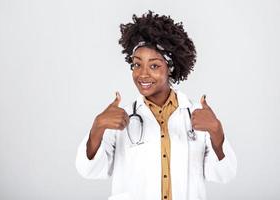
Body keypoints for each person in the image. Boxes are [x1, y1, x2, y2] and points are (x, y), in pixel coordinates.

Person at [75, 11, 237, 200]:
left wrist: (216, 132)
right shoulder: (120, 118)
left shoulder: (196, 116)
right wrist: (98, 127)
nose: (142, 74)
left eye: (154, 66)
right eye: (136, 65)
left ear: (171, 68)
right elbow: (89, 170)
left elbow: (224, 175)